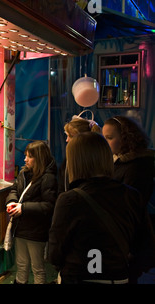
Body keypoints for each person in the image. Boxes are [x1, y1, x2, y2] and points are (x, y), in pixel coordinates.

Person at [48, 132, 155, 284]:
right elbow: (147, 249)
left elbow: (55, 254)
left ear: (75, 162)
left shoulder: (70, 200)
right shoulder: (132, 195)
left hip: (79, 277)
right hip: (121, 278)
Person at [5, 141, 57, 284]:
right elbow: (14, 190)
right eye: (25, 155)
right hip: (20, 228)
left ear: (39, 158)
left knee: (38, 268)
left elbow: (49, 205)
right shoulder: (23, 173)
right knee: (21, 265)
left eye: (29, 157)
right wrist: (11, 201)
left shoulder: (48, 178)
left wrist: (23, 208)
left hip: (36, 232)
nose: (25, 159)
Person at [102, 115, 154, 205]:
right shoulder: (116, 161)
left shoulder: (137, 167)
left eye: (109, 138)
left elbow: (130, 203)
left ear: (125, 138)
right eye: (103, 138)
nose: (104, 142)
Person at [58, 117, 101, 194]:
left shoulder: (93, 163)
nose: (67, 140)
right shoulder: (67, 161)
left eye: (70, 136)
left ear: (81, 139)